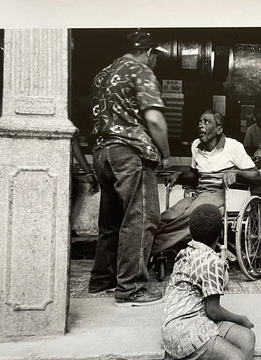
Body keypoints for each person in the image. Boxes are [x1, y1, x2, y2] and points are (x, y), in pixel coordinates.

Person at [87, 30, 171, 307]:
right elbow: (155, 120)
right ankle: (131, 288)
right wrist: (165, 154)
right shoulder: (141, 70)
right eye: (156, 56)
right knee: (142, 218)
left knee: (111, 220)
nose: (156, 61)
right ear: (149, 52)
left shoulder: (102, 74)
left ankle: (102, 279)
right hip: (130, 153)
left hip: (102, 153)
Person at [152, 110, 260, 255]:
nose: (200, 125)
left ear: (219, 129)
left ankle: (153, 246)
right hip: (200, 192)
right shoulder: (196, 145)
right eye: (199, 122)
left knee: (191, 214)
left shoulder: (233, 146)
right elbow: (194, 175)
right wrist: (179, 175)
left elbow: (256, 176)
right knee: (171, 214)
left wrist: (236, 172)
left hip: (221, 193)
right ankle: (146, 242)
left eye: (206, 122)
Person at [162, 204, 255, 360]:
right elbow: (213, 311)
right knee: (236, 358)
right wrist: (241, 319)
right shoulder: (213, 262)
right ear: (220, 234)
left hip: (183, 324)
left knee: (247, 337)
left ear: (191, 232)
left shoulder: (185, 253)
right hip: (185, 330)